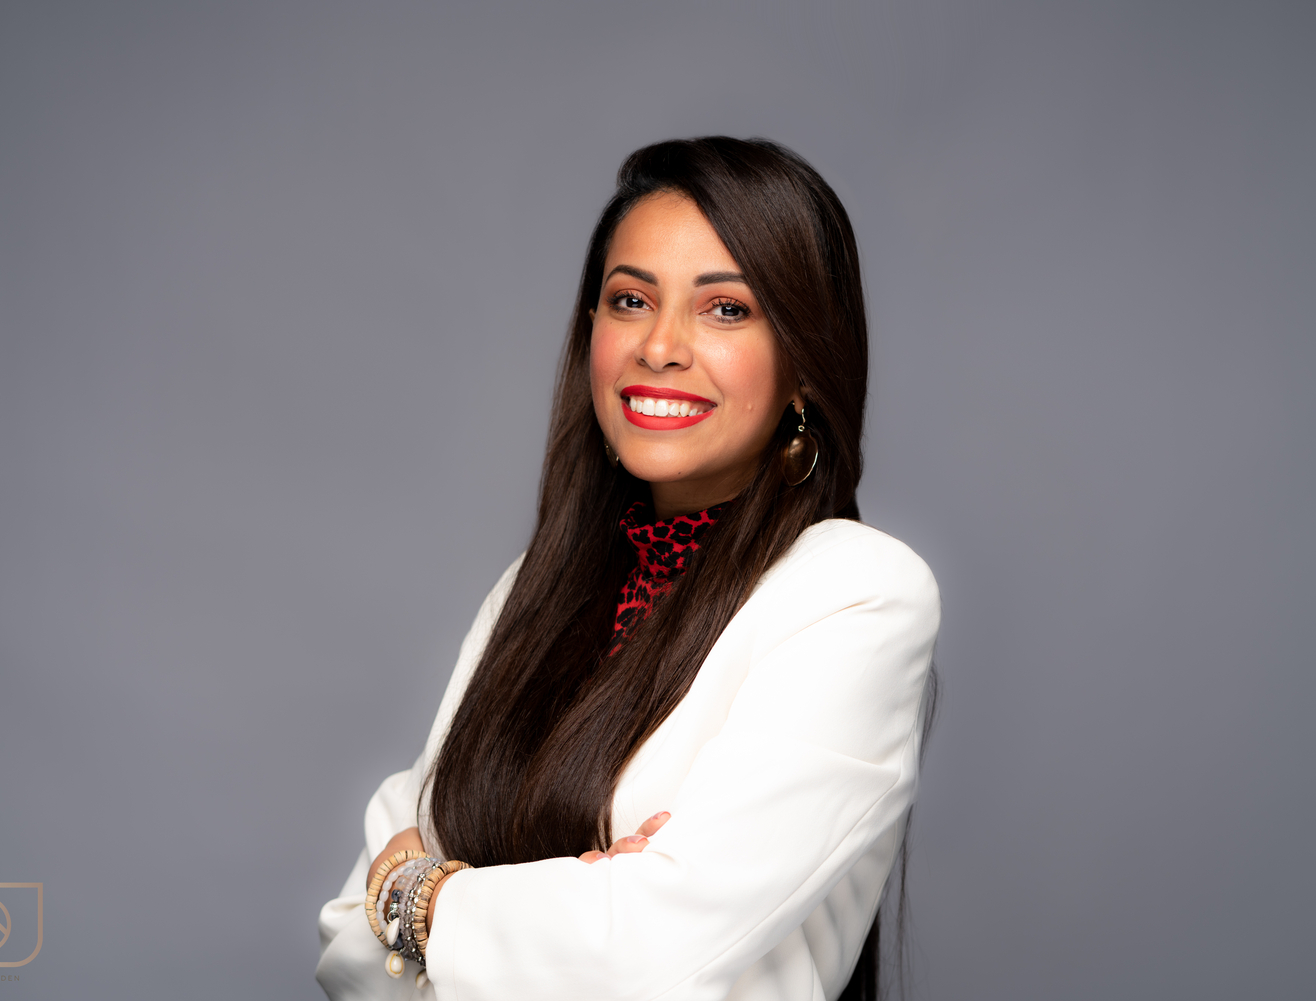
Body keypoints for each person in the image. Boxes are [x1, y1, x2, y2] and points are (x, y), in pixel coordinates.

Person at [316, 137, 940, 1001]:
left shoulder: (856, 593)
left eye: (726, 309)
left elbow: (642, 955)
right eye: (631, 300)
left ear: (803, 363)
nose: (660, 345)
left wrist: (419, 895)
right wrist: (581, 904)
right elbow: (347, 945)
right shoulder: (534, 590)